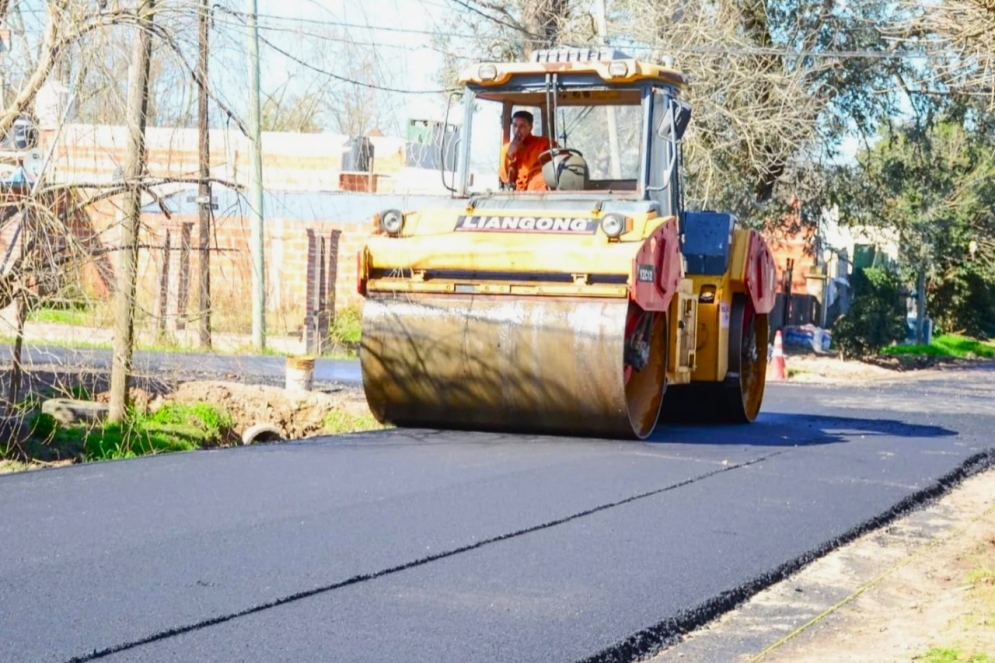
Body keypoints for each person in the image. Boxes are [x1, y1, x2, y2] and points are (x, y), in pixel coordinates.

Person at [499, 110, 551, 192]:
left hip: (541, 192)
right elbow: (505, 179)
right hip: (519, 194)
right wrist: (510, 155)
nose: (517, 130)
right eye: (515, 125)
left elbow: (562, 161)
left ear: (530, 127)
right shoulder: (506, 149)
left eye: (522, 126)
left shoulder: (544, 143)